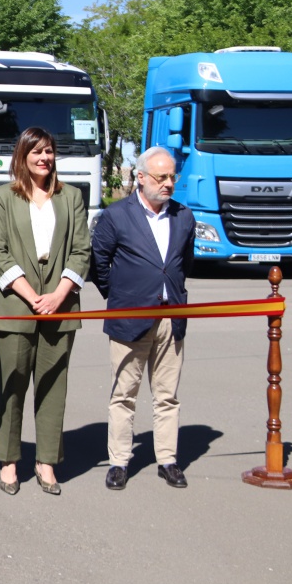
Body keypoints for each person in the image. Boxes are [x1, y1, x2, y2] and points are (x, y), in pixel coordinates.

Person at [0, 126, 91, 496]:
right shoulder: (2, 197)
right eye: (36, 152)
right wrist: (33, 297)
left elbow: (81, 251)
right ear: (22, 156)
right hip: (16, 306)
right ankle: (9, 460)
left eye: (49, 151)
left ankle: (46, 461)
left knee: (53, 388)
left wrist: (59, 295)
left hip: (60, 307)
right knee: (11, 386)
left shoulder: (71, 197)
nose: (44, 158)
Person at [91, 146, 196, 490]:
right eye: (161, 177)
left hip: (171, 318)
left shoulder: (183, 216)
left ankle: (167, 459)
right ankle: (119, 462)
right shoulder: (116, 215)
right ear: (140, 177)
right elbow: (99, 265)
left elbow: (184, 264)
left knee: (167, 395)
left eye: (172, 177)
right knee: (124, 394)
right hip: (130, 318)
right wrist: (122, 298)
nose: (168, 184)